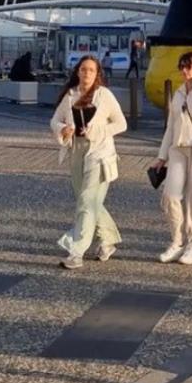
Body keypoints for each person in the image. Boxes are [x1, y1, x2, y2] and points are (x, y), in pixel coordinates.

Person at [49, 55, 127, 269]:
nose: (86, 74)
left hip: (100, 152)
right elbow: (55, 120)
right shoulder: (70, 96)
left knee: (86, 200)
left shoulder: (104, 96)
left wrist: (98, 130)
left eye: (91, 70)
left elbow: (121, 124)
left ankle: (76, 250)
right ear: (77, 72)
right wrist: (62, 129)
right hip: (76, 149)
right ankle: (108, 240)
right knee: (88, 201)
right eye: (83, 69)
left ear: (97, 74)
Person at [150, 51, 192, 266]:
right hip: (178, 148)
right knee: (170, 196)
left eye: (189, 66)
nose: (184, 70)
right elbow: (171, 125)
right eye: (182, 66)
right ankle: (177, 241)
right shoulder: (178, 92)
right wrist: (161, 156)